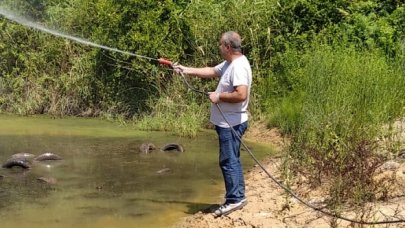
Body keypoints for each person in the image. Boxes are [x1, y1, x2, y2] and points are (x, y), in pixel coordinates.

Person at [173, 31, 252, 217]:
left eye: (220, 44)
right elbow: (211, 71)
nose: (218, 47)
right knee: (232, 159)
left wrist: (218, 96)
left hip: (231, 123)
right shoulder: (230, 63)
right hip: (229, 122)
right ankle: (238, 195)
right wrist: (185, 69)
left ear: (227, 47)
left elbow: (241, 94)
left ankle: (234, 200)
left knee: (228, 161)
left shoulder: (239, 66)